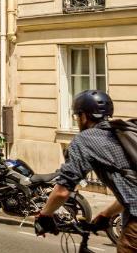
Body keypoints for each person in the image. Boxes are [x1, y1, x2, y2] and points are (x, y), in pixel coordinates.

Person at [35, 90, 137, 253]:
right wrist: (105, 214)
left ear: (83, 116)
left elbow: (62, 191)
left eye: (77, 116)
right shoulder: (122, 133)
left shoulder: (84, 141)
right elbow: (130, 190)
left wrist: (44, 216)